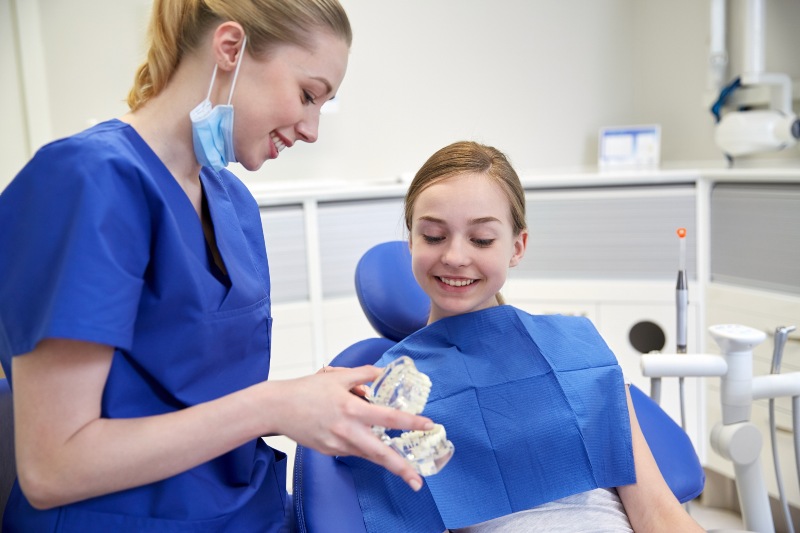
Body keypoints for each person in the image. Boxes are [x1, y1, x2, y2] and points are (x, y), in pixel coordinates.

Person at [0, 1, 434, 531]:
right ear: (231, 49)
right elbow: (52, 468)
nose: (313, 129)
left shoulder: (232, 203)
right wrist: (276, 406)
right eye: (307, 94)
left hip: (244, 510)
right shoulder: (87, 182)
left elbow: (199, 395)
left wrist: (312, 400)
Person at [343, 141, 704, 532]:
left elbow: (658, 513)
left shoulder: (576, 353)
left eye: (481, 239)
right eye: (433, 236)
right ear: (411, 241)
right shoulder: (387, 395)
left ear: (517, 247)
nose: (455, 256)